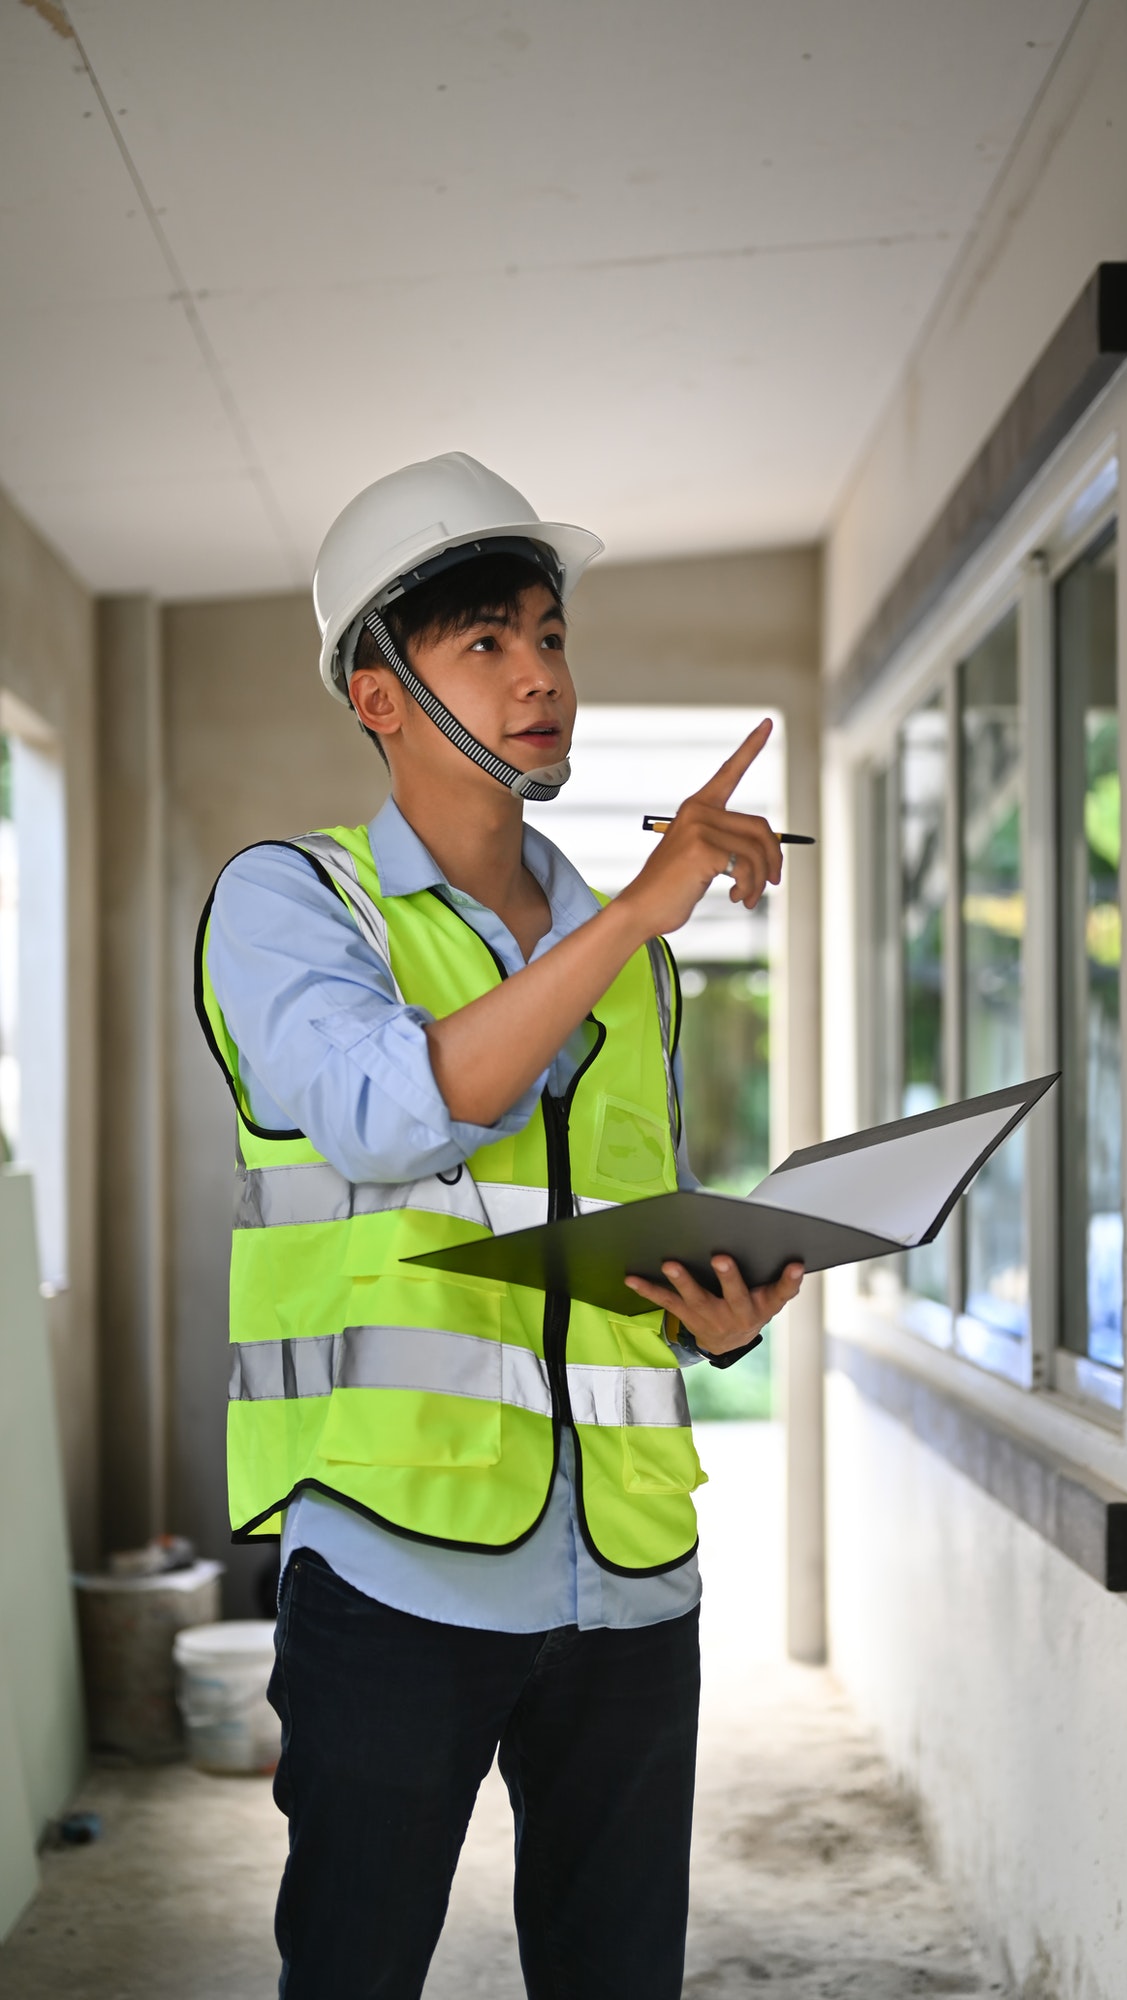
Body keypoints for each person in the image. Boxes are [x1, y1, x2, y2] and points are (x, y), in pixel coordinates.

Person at [196, 450, 804, 2000]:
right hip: (396, 1563)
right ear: (376, 694)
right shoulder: (294, 906)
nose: (540, 673)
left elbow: (602, 1243)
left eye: (549, 633)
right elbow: (393, 1117)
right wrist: (626, 920)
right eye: (485, 639)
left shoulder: (626, 956)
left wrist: (704, 1310)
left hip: (628, 1567)